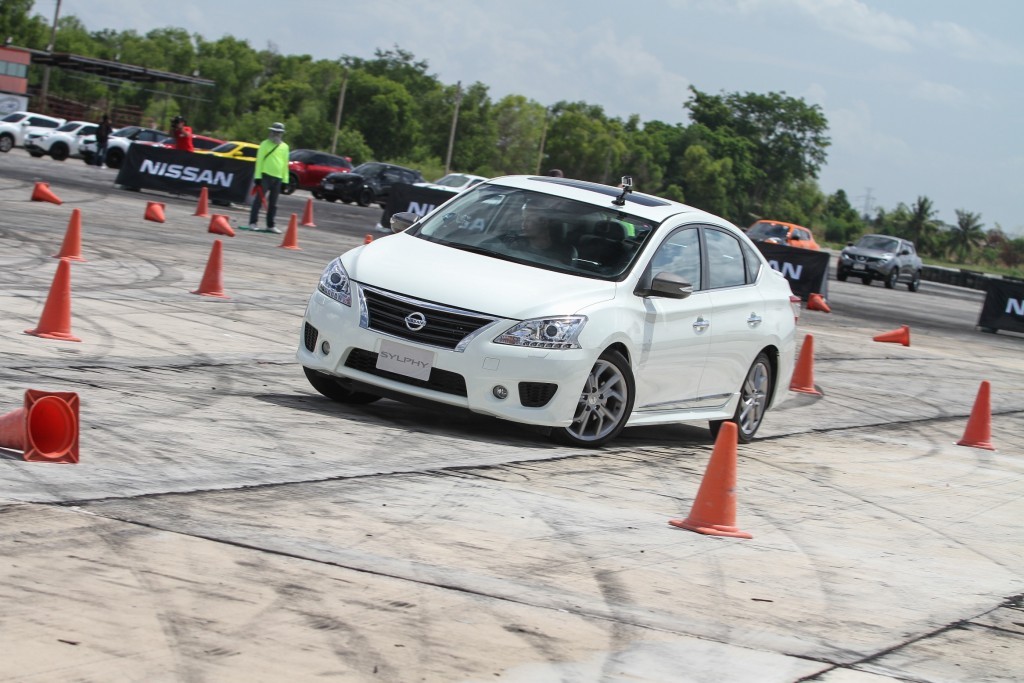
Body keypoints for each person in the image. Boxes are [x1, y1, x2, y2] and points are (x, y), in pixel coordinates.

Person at [248, 122, 291, 233]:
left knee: (274, 203)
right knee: (258, 200)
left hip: (278, 178)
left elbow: (285, 164)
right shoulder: (264, 144)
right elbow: (259, 162)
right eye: (274, 132)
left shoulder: (285, 147)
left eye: (278, 132)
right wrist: (258, 177)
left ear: (282, 134)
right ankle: (253, 222)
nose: (276, 134)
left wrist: (285, 180)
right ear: (271, 132)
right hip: (265, 176)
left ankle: (270, 225)